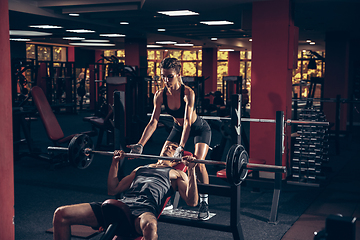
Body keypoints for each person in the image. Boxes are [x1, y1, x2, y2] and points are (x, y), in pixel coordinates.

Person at [52, 141, 198, 240]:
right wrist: (115, 162)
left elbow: (192, 202)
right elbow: (113, 189)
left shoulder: (177, 173)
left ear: (177, 157)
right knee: (61, 214)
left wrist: (191, 170)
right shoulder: (141, 168)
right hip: (122, 205)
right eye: (167, 145)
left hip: (143, 212)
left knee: (151, 226)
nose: (168, 148)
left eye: (173, 147)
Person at [128, 57, 211, 220]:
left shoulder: (188, 93)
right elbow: (153, 122)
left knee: (198, 163)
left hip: (199, 128)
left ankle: (204, 202)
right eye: (163, 76)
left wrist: (181, 147)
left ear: (179, 74)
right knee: (163, 162)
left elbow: (187, 122)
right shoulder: (160, 94)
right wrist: (140, 144)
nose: (166, 80)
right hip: (177, 128)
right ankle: (168, 198)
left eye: (170, 76)